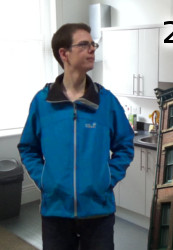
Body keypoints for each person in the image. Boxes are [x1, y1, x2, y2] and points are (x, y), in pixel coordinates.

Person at [18, 23, 134, 250]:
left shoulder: (106, 101)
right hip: (55, 213)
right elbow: (28, 147)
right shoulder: (42, 102)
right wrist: (44, 180)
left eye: (93, 44)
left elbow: (125, 145)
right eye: (84, 45)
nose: (92, 49)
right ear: (64, 54)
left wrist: (106, 179)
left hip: (98, 212)